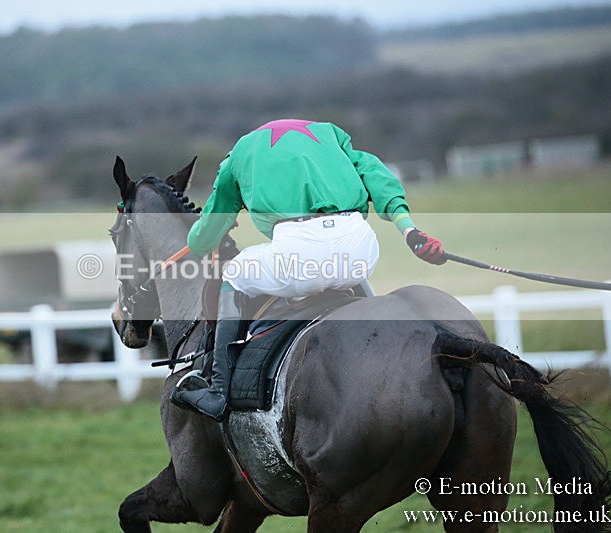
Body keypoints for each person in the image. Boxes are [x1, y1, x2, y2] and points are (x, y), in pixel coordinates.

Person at [170, 119, 446, 421]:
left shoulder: (239, 156)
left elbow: (202, 241)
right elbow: (378, 177)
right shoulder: (331, 135)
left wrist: (213, 228)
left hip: (299, 256)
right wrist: (410, 231)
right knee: (346, 269)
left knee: (234, 274)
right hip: (358, 246)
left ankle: (218, 392)